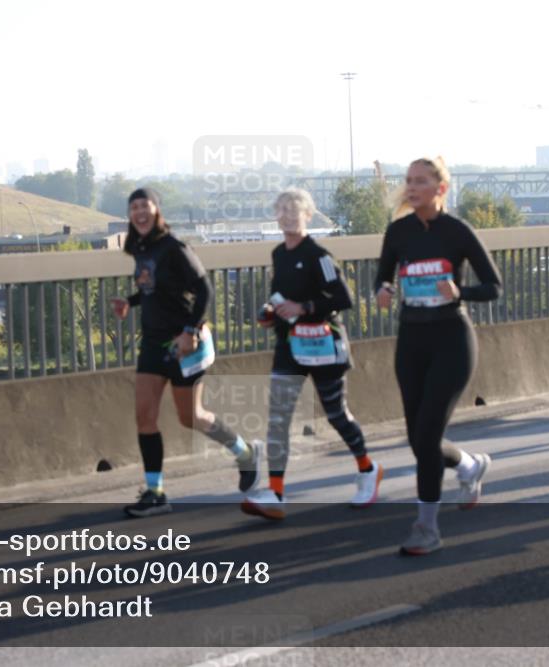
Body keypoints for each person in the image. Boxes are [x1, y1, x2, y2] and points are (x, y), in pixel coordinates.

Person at [375, 156, 502, 556]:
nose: (411, 187)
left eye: (420, 181)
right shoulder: (398, 232)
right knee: (418, 440)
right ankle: (469, 465)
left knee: (427, 435)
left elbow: (493, 287)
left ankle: (426, 528)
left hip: (452, 339)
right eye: (408, 181)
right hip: (411, 340)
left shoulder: (457, 231)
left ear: (440, 188)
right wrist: (381, 290)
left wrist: (460, 292)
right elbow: (382, 275)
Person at [110, 188, 262, 517]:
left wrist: (190, 331)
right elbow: (153, 289)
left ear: (156, 210)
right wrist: (130, 302)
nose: (139, 212)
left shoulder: (174, 247)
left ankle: (246, 453)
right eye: (133, 207)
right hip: (153, 343)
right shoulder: (140, 248)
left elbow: (204, 289)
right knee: (144, 416)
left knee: (190, 416)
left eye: (144, 206)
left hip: (183, 343)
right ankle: (156, 492)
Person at [241, 187, 383, 521]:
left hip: (323, 343)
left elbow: (343, 298)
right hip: (290, 344)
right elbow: (282, 296)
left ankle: (368, 469)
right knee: (278, 418)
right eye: (283, 209)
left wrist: (305, 306)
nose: (288, 215)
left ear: (308, 215)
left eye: (295, 209)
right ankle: (275, 492)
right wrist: (270, 311)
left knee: (335, 414)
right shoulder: (279, 254)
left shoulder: (319, 255)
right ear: (276, 215)